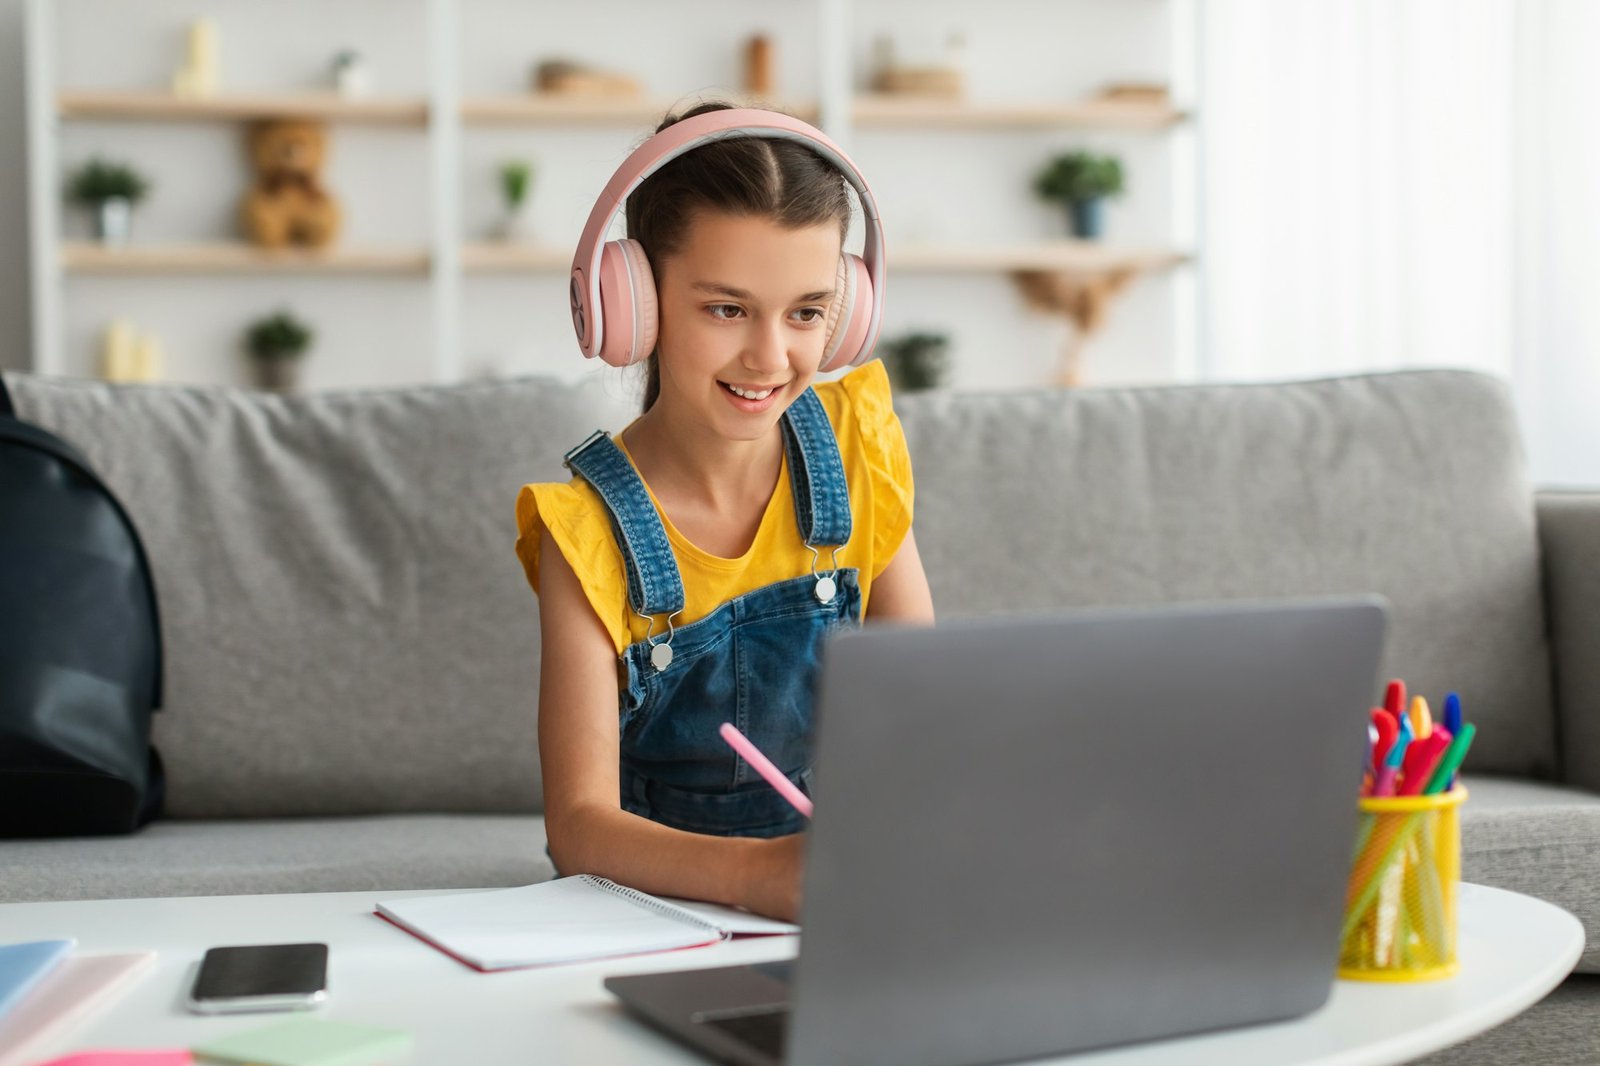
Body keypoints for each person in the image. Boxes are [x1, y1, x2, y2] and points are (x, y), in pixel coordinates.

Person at [514, 102, 935, 922]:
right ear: (632, 305)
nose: (770, 357)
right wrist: (763, 879)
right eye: (727, 309)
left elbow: (922, 714)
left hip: (849, 903)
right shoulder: (586, 530)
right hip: (661, 915)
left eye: (807, 312)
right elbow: (577, 830)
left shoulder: (856, 446)